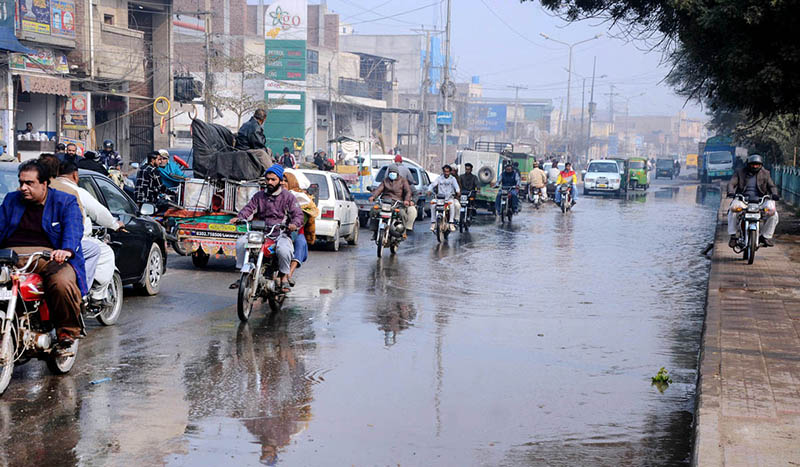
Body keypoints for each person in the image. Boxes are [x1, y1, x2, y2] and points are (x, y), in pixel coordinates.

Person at [0, 160, 87, 346]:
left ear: (44, 184)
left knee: (62, 282)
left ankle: (67, 331)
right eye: (21, 182)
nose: (23, 187)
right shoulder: (11, 200)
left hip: (48, 257)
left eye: (29, 183)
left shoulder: (65, 201)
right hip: (9, 256)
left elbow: (74, 229)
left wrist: (65, 250)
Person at [58, 161, 123, 302]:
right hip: (73, 240)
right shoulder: (77, 192)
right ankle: (89, 294)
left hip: (47, 240)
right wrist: (114, 224)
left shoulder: (47, 189)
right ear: (75, 175)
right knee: (103, 252)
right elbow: (99, 213)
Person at [231, 164, 303, 292]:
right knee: (241, 242)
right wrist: (240, 217)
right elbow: (249, 208)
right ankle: (242, 273)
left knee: (284, 250)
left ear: (280, 181)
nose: (269, 182)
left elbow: (298, 215)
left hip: (280, 233)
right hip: (260, 233)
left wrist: (294, 224)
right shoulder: (259, 196)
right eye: (268, 179)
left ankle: (284, 276)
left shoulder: (288, 197)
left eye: (273, 179)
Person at [727, 154, 780, 247]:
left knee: (773, 214)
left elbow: (772, 186)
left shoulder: (766, 173)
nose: (755, 166)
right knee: (732, 210)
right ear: (748, 164)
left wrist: (775, 194)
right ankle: (733, 236)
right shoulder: (740, 172)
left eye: (757, 164)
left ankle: (765, 236)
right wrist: (731, 192)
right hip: (742, 199)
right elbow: (731, 183)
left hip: (761, 201)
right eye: (753, 164)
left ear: (761, 165)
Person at [282, 172, 319, 286]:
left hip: (295, 232)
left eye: (286, 181)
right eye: (281, 180)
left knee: (300, 243)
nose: (283, 183)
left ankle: (288, 274)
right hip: (276, 230)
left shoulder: (301, 197)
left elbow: (306, 216)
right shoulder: (274, 195)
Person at [369, 166, 417, 239]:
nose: (392, 174)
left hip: (397, 203)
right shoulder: (385, 181)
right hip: (385, 202)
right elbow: (379, 189)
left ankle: (403, 232)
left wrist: (407, 200)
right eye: (390, 172)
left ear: (397, 173)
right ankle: (375, 231)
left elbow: (408, 191)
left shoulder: (403, 181)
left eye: (394, 173)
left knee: (402, 214)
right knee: (374, 210)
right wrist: (373, 196)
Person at [427, 165, 461, 232]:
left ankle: (451, 223)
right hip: (439, 199)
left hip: (449, 198)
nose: (446, 173)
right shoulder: (439, 178)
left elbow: (456, 186)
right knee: (433, 204)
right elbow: (433, 184)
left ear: (450, 172)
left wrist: (458, 191)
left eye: (448, 172)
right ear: (443, 171)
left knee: (452, 205)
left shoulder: (453, 179)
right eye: (445, 171)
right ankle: (433, 223)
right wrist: (429, 190)